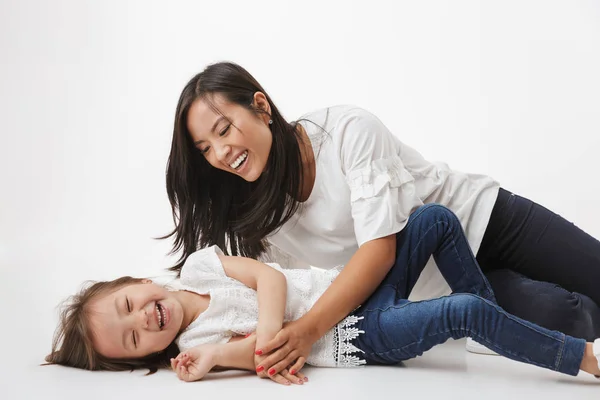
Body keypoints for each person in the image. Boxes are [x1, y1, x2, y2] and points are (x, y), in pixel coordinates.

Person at [164, 61, 600, 365]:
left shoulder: (347, 131)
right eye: (205, 149)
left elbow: (379, 252)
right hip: (440, 282)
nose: (221, 152)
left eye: (223, 130)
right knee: (571, 318)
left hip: (484, 217)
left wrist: (308, 332)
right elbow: (273, 298)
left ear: (261, 106)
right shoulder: (258, 220)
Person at [46, 205, 600, 383]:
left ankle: (493, 337)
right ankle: (586, 361)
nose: (144, 319)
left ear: (136, 283)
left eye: (128, 306)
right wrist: (220, 355)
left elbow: (272, 277)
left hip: (350, 292)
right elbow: (256, 357)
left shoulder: (201, 266)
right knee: (466, 310)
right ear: (147, 356)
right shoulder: (197, 343)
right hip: (359, 334)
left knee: (432, 218)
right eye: (135, 339)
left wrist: (266, 330)